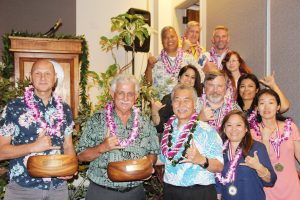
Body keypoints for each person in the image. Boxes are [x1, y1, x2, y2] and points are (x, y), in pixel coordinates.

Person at [0, 59, 76, 200]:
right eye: (38, 73)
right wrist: (33, 146)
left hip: (57, 188)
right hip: (22, 188)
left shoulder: (65, 109)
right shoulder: (14, 107)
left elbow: (68, 145)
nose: (43, 78)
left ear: (55, 79)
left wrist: (70, 168)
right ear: (31, 77)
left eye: (47, 73)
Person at [77, 74, 160, 200]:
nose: (125, 98)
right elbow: (81, 155)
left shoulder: (145, 122)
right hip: (102, 193)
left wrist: (147, 165)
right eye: (121, 93)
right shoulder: (97, 120)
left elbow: (153, 152)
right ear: (112, 93)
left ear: (136, 96)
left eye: (130, 94)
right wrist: (102, 147)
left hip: (135, 193)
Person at [159, 84, 223, 200]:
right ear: (172, 104)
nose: (181, 105)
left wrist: (201, 159)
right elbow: (163, 159)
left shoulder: (207, 131)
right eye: (177, 100)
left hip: (199, 192)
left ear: (194, 104)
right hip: (171, 191)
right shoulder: (168, 130)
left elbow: (219, 166)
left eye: (186, 100)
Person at [250, 89, 300, 200]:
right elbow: (262, 162)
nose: (266, 107)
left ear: (278, 107)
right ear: (257, 108)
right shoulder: (252, 133)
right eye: (262, 103)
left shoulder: (290, 126)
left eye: (271, 103)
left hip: (291, 186)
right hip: (267, 187)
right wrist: (265, 139)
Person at [216, 110, 277, 200]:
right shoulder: (218, 151)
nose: (233, 129)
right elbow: (217, 186)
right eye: (229, 125)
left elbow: (271, 180)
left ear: (246, 129)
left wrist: (258, 167)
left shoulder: (257, 148)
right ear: (224, 129)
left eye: (238, 125)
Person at [144, 26, 205, 100]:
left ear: (177, 38)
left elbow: (201, 78)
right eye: (166, 37)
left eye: (172, 36)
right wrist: (149, 67)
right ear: (162, 41)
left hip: (185, 105)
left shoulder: (188, 59)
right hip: (162, 106)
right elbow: (146, 86)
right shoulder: (155, 61)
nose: (169, 40)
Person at [151, 64, 203, 135]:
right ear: (179, 77)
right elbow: (159, 127)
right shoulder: (169, 99)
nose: (189, 79)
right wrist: (154, 112)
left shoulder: (200, 100)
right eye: (186, 75)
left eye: (193, 77)